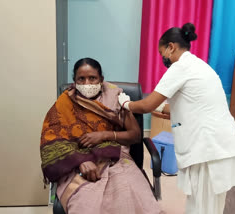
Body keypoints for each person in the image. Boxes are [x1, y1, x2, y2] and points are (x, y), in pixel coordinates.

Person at [118, 23, 235, 214]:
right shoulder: (199, 65)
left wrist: (125, 103)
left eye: (162, 52)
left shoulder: (180, 68)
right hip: (220, 143)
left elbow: (147, 105)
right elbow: (186, 106)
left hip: (209, 148)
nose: (163, 58)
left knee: (203, 207)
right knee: (210, 205)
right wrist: (159, 107)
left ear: (171, 47)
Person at [40, 58, 162, 214]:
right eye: (81, 79)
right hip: (78, 161)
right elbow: (52, 140)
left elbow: (135, 135)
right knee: (86, 202)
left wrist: (104, 135)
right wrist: (80, 161)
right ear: (74, 81)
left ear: (101, 79)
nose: (87, 84)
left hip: (116, 158)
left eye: (92, 78)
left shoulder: (116, 98)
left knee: (130, 195)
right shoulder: (65, 102)